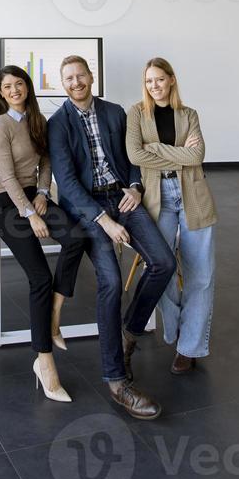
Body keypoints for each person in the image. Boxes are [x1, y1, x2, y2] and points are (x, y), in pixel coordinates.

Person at [47, 55, 176, 420]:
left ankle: (129, 333)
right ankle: (117, 381)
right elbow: (67, 183)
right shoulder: (58, 124)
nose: (76, 82)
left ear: (91, 77)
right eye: (68, 78)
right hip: (88, 208)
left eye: (80, 76)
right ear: (64, 84)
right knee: (111, 280)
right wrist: (103, 219)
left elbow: (132, 155)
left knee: (164, 262)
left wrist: (135, 186)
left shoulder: (115, 112)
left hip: (124, 196)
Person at [0, 65, 85, 402]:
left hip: (34, 196)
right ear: (1, 92)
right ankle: (44, 362)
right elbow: (7, 175)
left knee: (76, 237)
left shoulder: (37, 120)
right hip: (5, 202)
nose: (14, 90)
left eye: (18, 84)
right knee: (40, 277)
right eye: (7, 86)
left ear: (27, 87)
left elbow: (46, 163)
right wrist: (29, 214)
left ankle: (54, 315)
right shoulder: (0, 125)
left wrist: (43, 194)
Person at [126, 57, 217, 375]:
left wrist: (156, 149)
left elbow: (198, 156)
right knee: (161, 269)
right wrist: (178, 155)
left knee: (201, 277)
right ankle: (177, 328)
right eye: (149, 81)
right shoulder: (137, 113)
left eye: (160, 80)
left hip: (193, 195)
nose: (155, 86)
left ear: (172, 80)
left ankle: (188, 347)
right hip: (157, 197)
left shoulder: (189, 114)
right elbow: (135, 154)